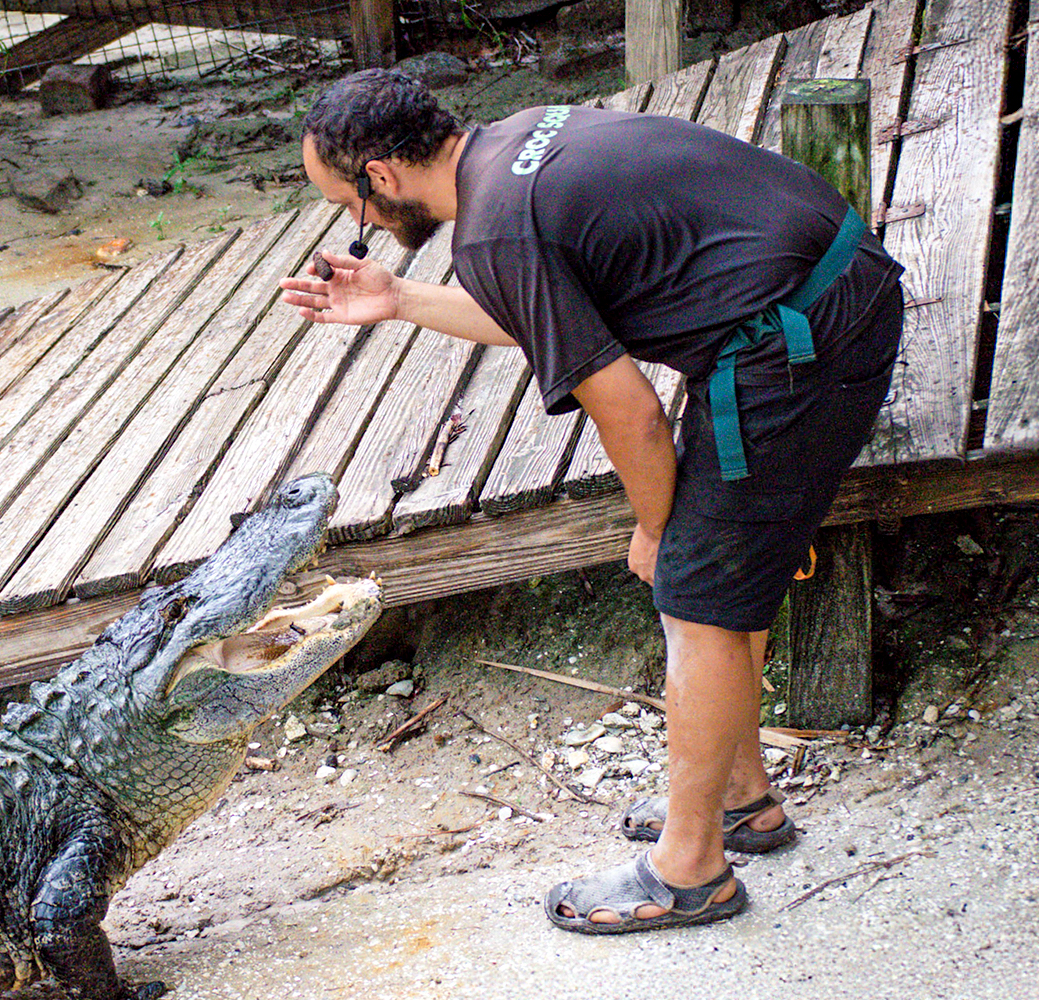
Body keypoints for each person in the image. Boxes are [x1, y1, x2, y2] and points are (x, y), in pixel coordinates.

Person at [280, 69, 904, 934]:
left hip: (795, 341)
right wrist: (400, 299)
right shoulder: (518, 141)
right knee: (715, 578)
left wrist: (655, 528)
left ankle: (689, 872)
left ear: (380, 176)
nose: (365, 227)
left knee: (696, 600)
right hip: (827, 291)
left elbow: (634, 416)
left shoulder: (495, 232)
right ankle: (740, 799)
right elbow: (550, 303)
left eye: (352, 207)